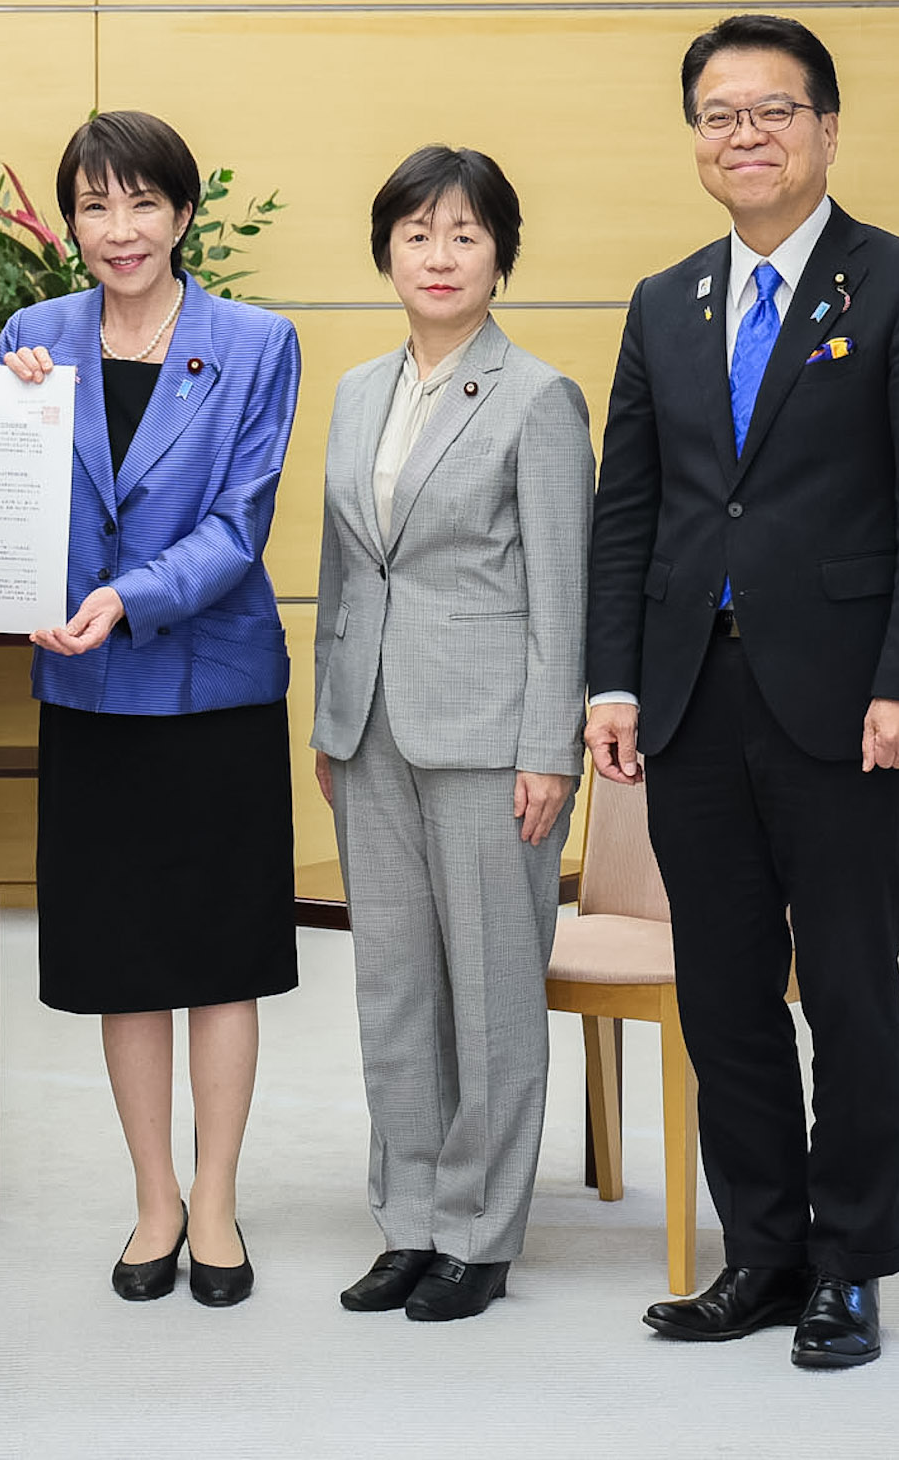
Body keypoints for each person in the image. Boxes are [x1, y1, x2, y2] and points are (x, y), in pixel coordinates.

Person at [585, 14, 899, 1369]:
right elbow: (627, 512)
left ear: (826, 127)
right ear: (696, 139)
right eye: (717, 113)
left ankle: (851, 1261)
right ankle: (760, 1248)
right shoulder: (664, 302)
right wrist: (613, 684)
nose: (743, 134)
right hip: (692, 699)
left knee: (851, 987)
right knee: (725, 987)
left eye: (771, 110)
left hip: (846, 706)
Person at [0, 110, 301, 1308]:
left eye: (141, 204)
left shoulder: (253, 341)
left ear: (182, 214)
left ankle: (217, 1203)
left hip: (211, 687)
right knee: (122, 962)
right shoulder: (31, 335)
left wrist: (124, 596)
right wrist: (7, 421)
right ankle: (153, 1203)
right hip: (86, 688)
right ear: (69, 220)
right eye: (92, 206)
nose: (117, 230)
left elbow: (238, 526)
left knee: (218, 960)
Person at [309, 145, 592, 1323]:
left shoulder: (535, 397)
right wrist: (327, 719)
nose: (439, 255)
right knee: (393, 992)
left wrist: (548, 748)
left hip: (488, 738)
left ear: (499, 258)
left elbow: (563, 594)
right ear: (385, 250)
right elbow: (340, 567)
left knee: (488, 994)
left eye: (465, 235)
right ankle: (408, 1221)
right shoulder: (357, 389)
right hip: (367, 727)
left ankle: (479, 1233)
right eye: (417, 234)